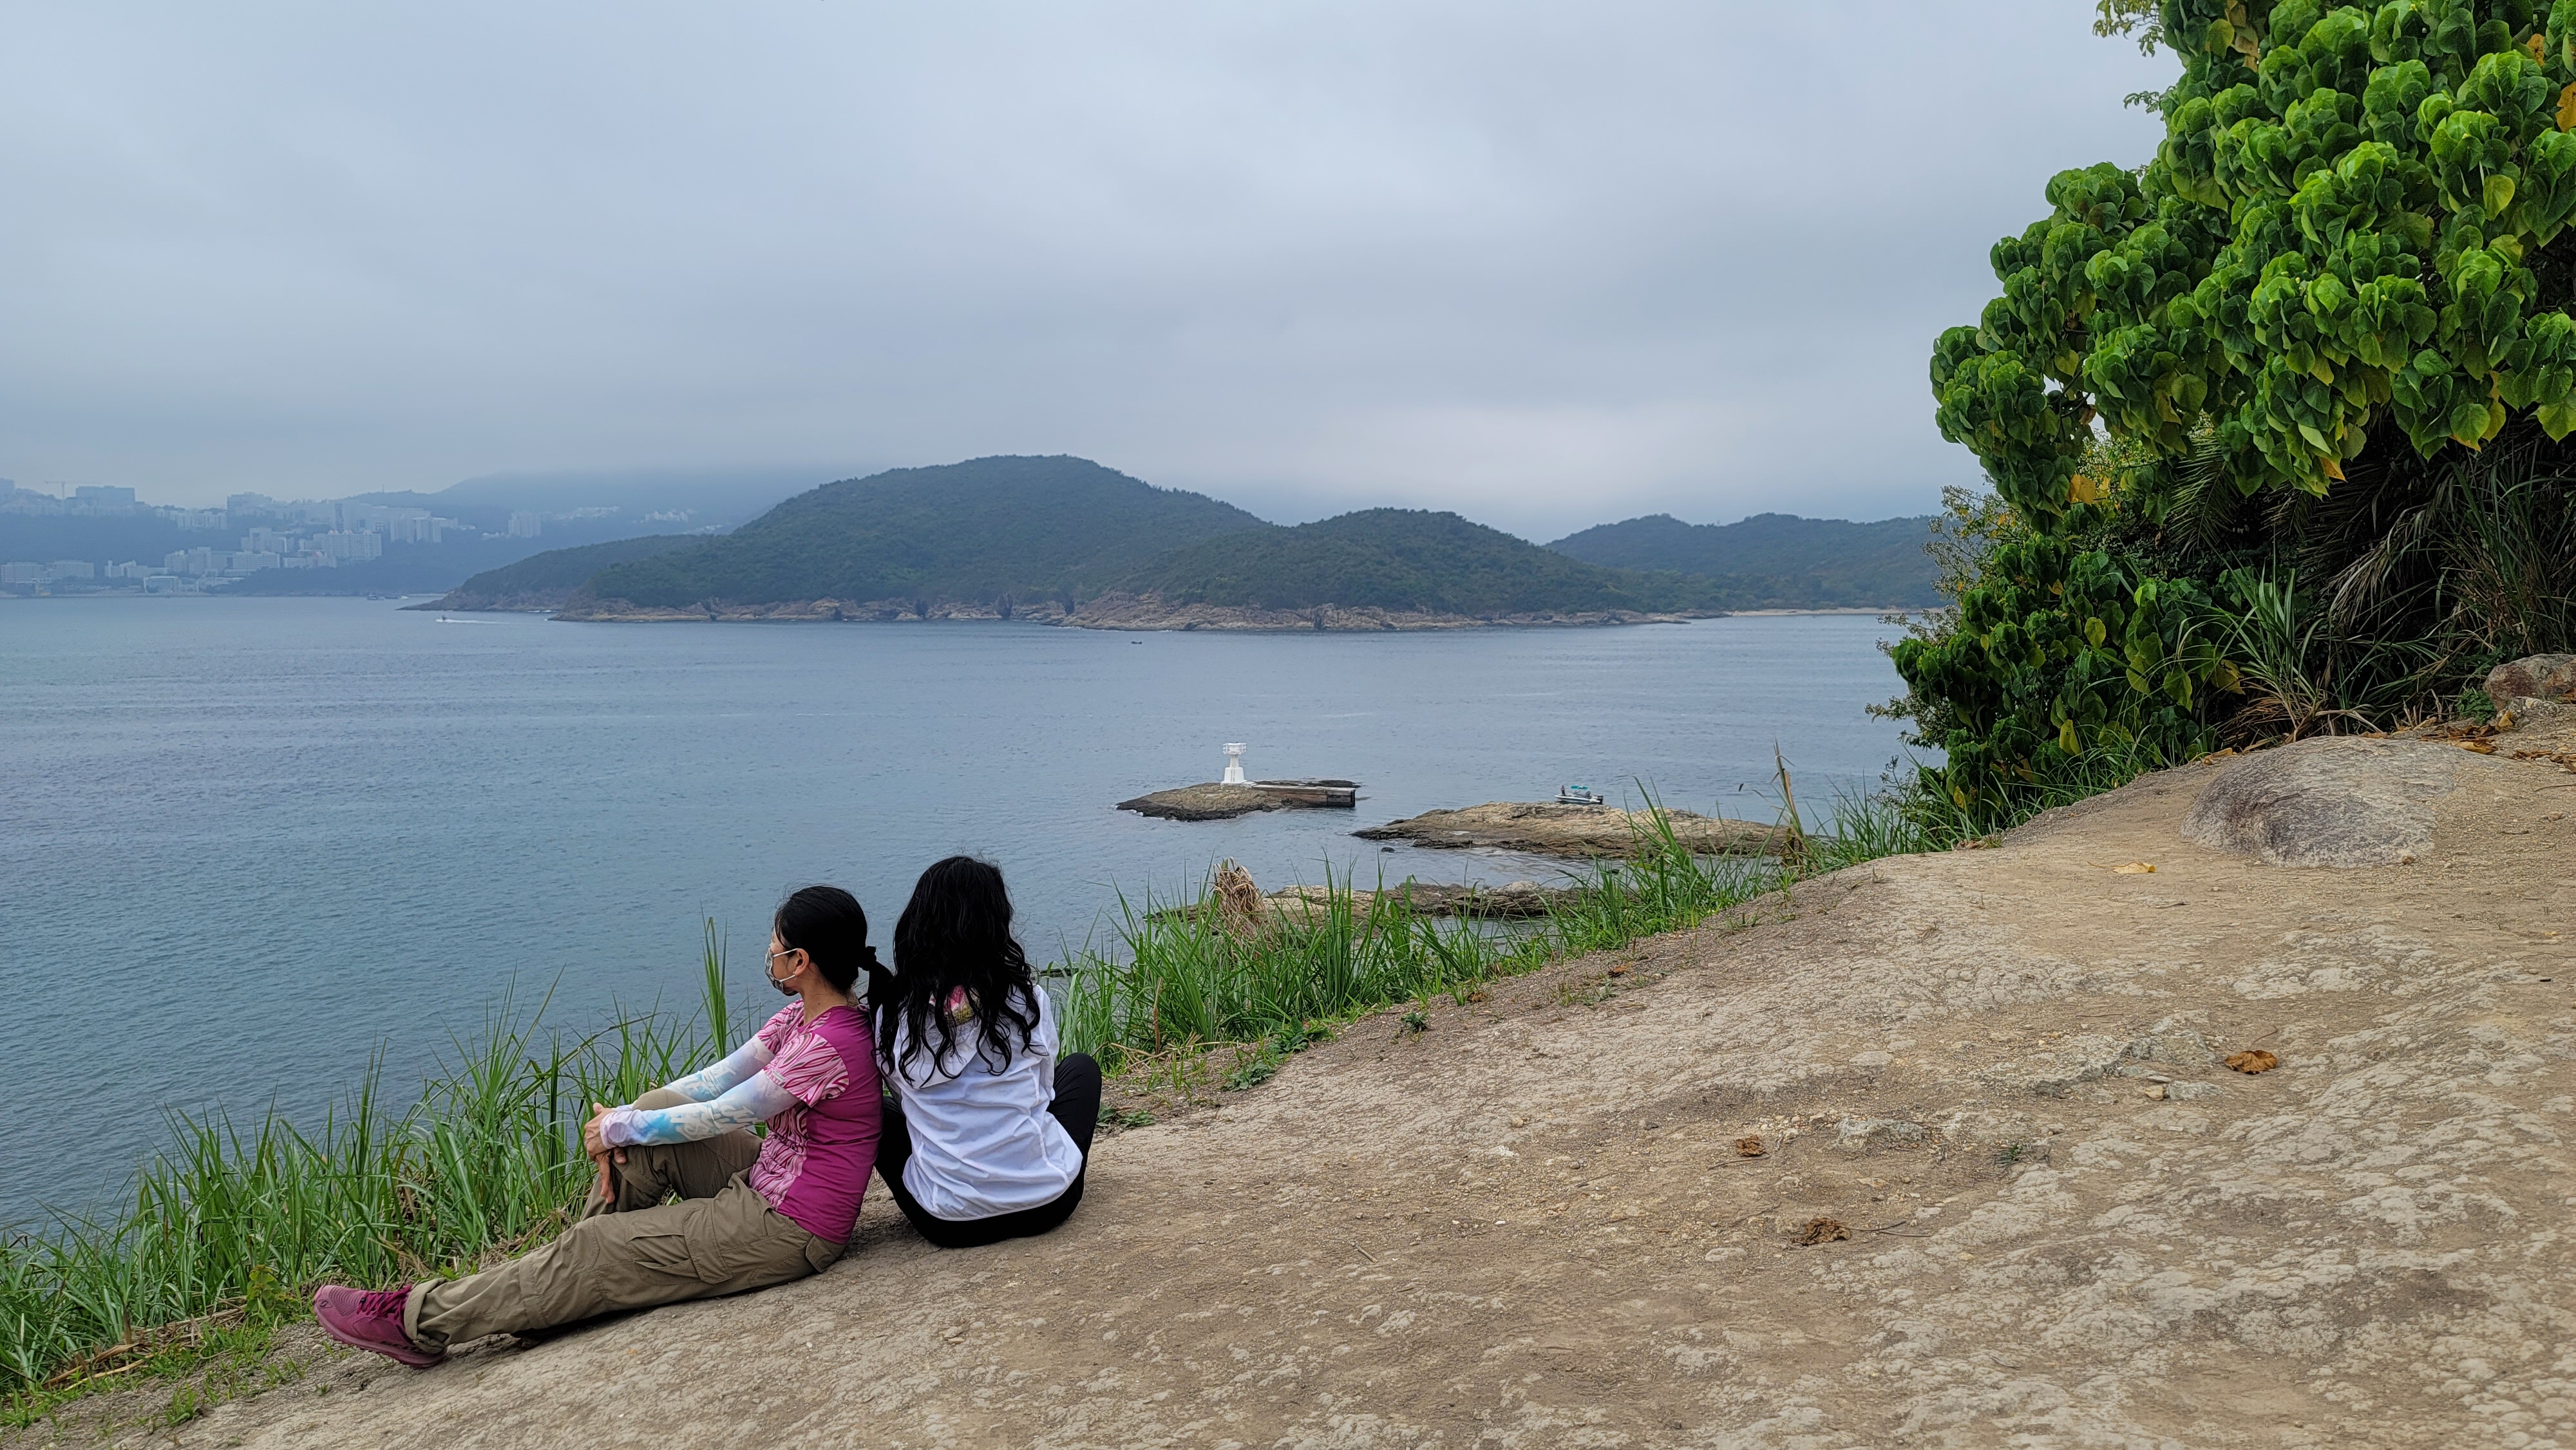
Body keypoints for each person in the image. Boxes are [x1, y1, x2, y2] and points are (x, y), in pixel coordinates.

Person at [311, 885, 884, 1366]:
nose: (770, 953)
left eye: (777, 945)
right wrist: (625, 1119)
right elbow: (712, 1081)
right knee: (652, 1114)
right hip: (767, 1178)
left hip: (790, 1226)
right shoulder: (800, 1017)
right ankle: (556, 1293)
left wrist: (616, 1129)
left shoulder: (829, 1045)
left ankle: (415, 1322)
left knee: (598, 1238)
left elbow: (726, 1113)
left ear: (800, 962)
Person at [871, 856, 1099, 1248]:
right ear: (996, 926)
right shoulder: (1028, 1001)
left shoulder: (892, 1016)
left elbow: (904, 1100)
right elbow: (1044, 1091)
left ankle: (955, 1182)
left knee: (875, 1111)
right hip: (1048, 1204)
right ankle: (1027, 1170)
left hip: (948, 1224)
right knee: (1081, 1069)